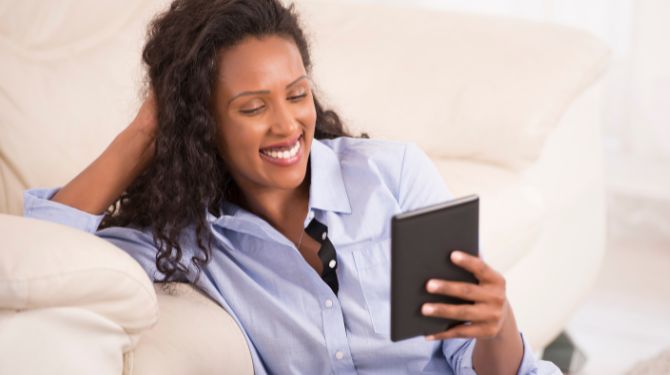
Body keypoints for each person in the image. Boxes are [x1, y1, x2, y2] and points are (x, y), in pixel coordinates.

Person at [23, 0, 561, 373]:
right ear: (203, 123)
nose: (287, 125)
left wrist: (496, 321)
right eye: (253, 107)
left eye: (297, 94)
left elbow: (487, 364)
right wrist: (141, 134)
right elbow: (39, 261)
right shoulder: (188, 238)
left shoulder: (391, 178)